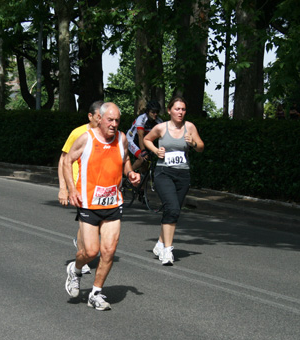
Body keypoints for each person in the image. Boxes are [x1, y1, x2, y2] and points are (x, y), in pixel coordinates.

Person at [63, 102, 140, 310]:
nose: (114, 124)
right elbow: (67, 160)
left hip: (113, 203)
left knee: (109, 250)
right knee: (90, 252)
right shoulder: (87, 138)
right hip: (88, 203)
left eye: (117, 121)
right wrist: (71, 189)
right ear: (100, 119)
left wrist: (130, 173)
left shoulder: (121, 139)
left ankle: (96, 293)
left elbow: (125, 160)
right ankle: (75, 269)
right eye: (110, 120)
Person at [143, 96, 204, 265]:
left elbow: (201, 147)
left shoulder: (189, 127)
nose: (180, 112)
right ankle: (168, 251)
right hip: (164, 173)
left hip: (183, 174)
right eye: (177, 109)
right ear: (169, 110)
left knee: (173, 210)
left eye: (183, 109)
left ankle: (160, 243)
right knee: (172, 208)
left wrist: (192, 143)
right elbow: (146, 139)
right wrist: (156, 151)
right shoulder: (161, 127)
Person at [57, 101, 103, 275]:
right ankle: (81, 258)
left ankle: (82, 245)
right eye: (98, 116)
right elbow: (63, 159)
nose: (101, 120)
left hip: (99, 187)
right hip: (80, 186)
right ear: (90, 116)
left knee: (93, 224)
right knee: (88, 222)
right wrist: (64, 188)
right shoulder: (78, 133)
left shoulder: (107, 134)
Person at [126, 100, 163, 170]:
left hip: (144, 141)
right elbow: (140, 136)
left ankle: (142, 178)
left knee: (147, 162)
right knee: (142, 158)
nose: (155, 114)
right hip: (132, 140)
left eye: (157, 112)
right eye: (153, 112)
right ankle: (128, 175)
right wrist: (143, 151)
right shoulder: (141, 119)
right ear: (148, 111)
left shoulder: (159, 121)